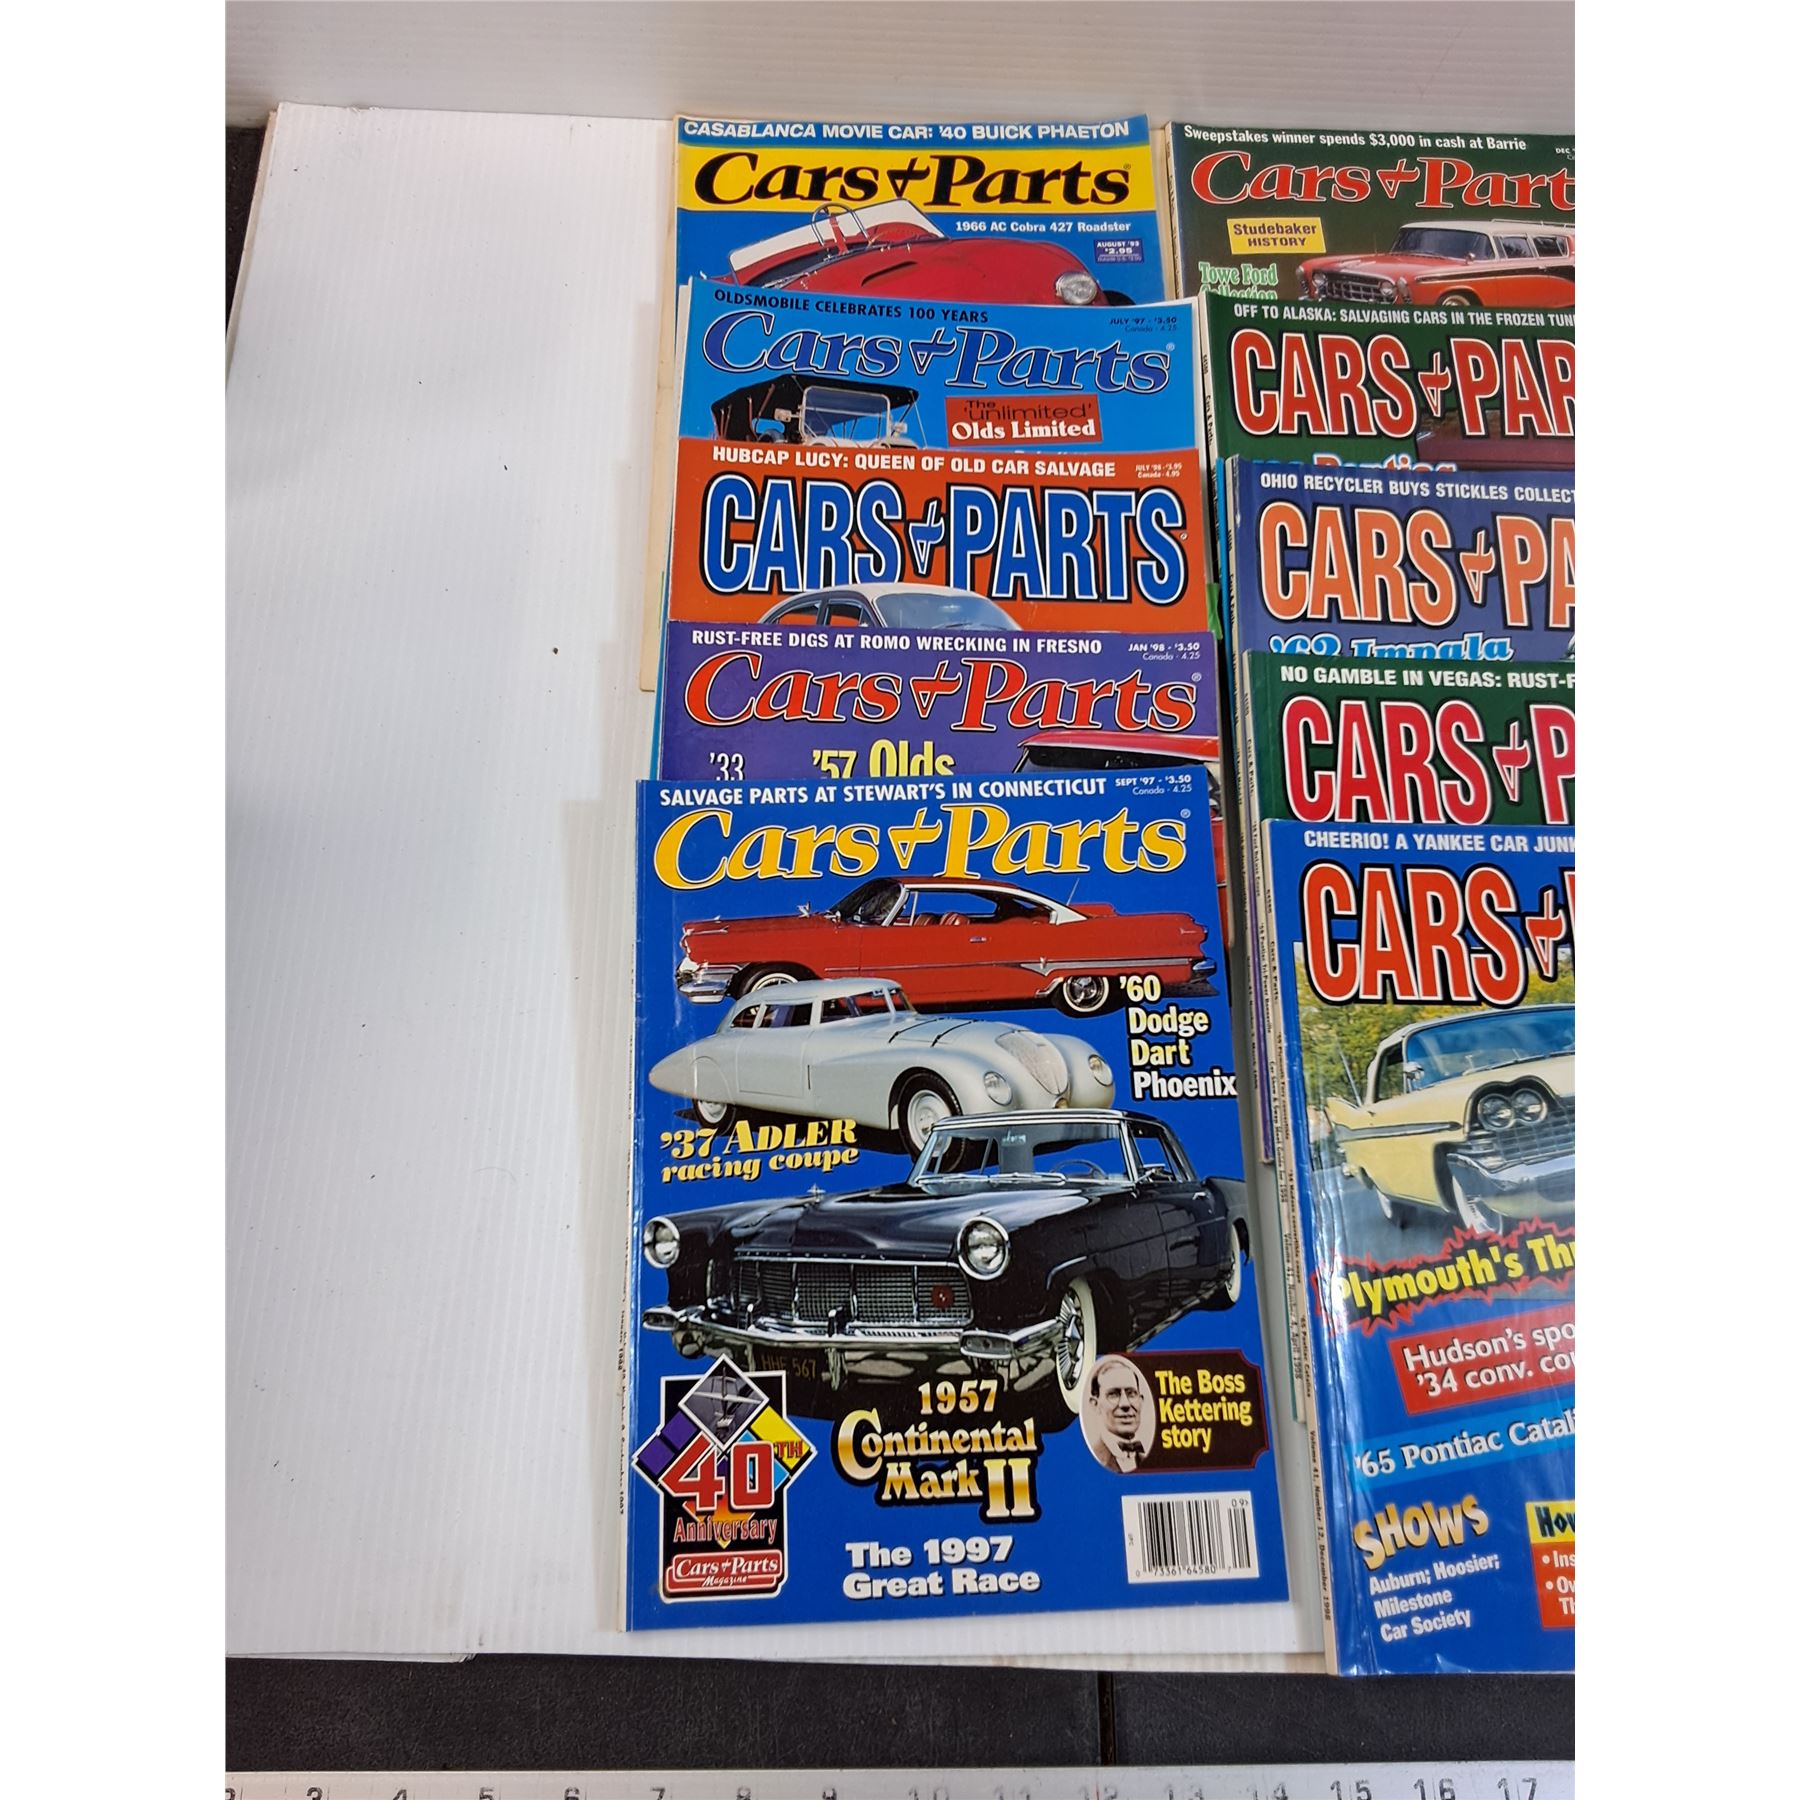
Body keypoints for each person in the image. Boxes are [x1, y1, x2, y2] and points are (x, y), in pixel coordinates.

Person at [1083, 1355, 1156, 1473]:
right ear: (1095, 1404)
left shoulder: (1149, 1460)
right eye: (1113, 1394)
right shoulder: (1091, 1459)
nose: (1125, 1404)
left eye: (1131, 1393)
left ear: (1141, 1401)